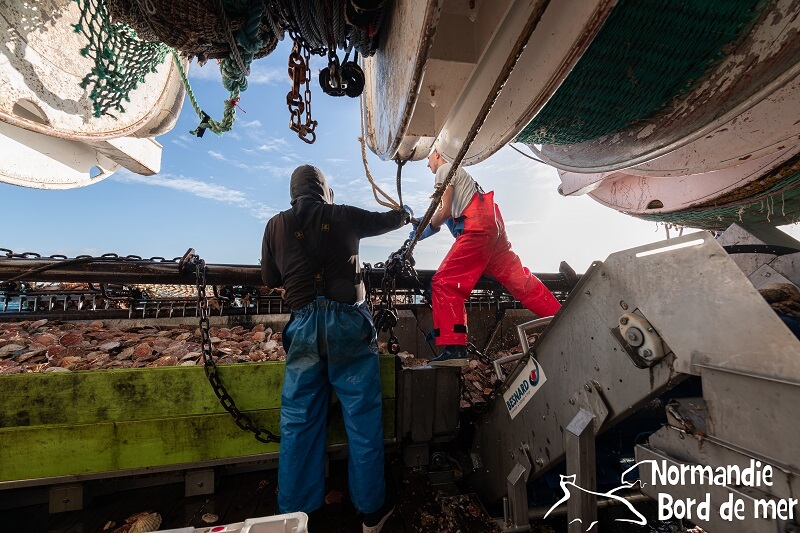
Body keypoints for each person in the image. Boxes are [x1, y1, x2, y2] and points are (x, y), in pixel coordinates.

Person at [262, 165, 410, 533]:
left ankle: (295, 513)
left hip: (304, 327)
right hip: (349, 326)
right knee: (361, 418)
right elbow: (387, 221)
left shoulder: (274, 225)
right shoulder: (343, 214)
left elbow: (269, 278)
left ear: (293, 193)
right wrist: (405, 213)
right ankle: (372, 511)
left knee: (298, 420)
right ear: (324, 190)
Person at [411, 149, 561, 367]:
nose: (427, 165)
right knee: (520, 281)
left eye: (427, 159)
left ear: (437, 152)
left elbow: (443, 213)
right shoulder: (463, 178)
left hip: (478, 229)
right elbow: (447, 212)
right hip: (494, 230)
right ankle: (560, 316)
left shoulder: (445, 169)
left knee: (445, 283)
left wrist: (421, 232)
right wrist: (424, 224)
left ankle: (455, 349)